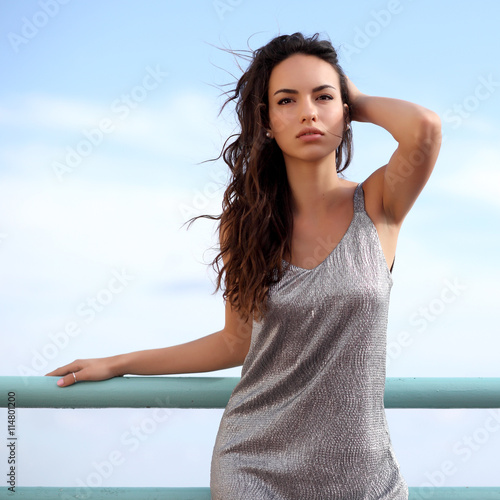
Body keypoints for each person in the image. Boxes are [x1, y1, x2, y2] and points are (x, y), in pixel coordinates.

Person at [46, 32, 441, 499]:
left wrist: (355, 98)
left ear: (345, 112)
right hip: (255, 467)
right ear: (268, 122)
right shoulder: (246, 225)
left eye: (323, 97)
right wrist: (118, 363)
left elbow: (426, 129)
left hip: (364, 474)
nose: (309, 112)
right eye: (287, 100)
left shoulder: (377, 205)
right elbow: (236, 342)